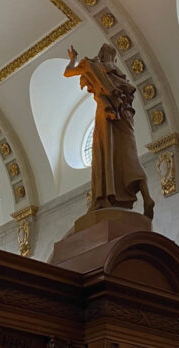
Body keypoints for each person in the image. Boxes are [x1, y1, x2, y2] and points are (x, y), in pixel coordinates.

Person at [64, 44, 154, 218]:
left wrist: (73, 58)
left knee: (103, 155)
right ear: (113, 58)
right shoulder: (119, 74)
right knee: (129, 156)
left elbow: (68, 72)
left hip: (106, 114)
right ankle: (146, 196)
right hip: (126, 115)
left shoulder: (92, 65)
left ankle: (102, 198)